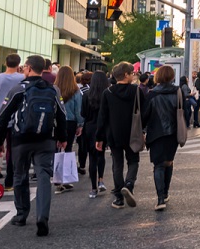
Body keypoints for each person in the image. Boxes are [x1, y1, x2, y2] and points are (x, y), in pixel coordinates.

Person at [0, 56, 70, 237]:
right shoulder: (53, 89)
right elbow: (62, 115)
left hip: (21, 140)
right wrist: (62, 137)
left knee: (20, 175)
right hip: (45, 139)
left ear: (27, 68)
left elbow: (3, 116)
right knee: (44, 176)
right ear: (43, 69)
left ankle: (21, 214)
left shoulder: (18, 90)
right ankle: (42, 216)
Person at [95, 63, 147, 209]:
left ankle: (118, 197)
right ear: (126, 75)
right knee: (133, 161)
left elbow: (102, 117)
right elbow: (144, 112)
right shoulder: (136, 91)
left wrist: (99, 138)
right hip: (133, 133)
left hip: (113, 133)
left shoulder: (108, 92)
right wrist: (143, 131)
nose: (133, 75)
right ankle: (129, 184)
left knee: (117, 163)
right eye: (132, 73)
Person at [144, 66, 184, 211]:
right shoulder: (177, 91)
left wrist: (143, 131)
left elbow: (145, 115)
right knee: (168, 162)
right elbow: (183, 111)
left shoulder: (152, 94)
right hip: (173, 133)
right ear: (172, 76)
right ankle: (165, 192)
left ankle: (160, 198)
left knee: (158, 165)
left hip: (155, 133)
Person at [0, 54, 24, 183]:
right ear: (19, 64)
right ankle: (10, 180)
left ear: (5, 63)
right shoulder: (23, 78)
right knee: (12, 150)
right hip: (16, 119)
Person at [54, 66, 83, 194]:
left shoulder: (54, 89)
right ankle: (65, 179)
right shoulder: (76, 91)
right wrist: (80, 124)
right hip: (70, 122)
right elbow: (78, 110)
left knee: (56, 149)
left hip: (55, 122)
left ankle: (56, 177)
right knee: (68, 147)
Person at [82, 71, 110, 199]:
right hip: (103, 127)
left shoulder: (86, 95)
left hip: (90, 127)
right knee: (101, 154)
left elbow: (83, 113)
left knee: (92, 157)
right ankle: (101, 179)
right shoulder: (107, 94)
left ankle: (93, 188)